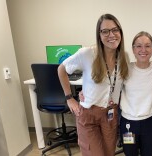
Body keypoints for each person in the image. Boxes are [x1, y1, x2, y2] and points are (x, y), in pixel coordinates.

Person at [58, 13, 129, 156]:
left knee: (109, 153)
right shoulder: (87, 54)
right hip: (89, 114)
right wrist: (69, 98)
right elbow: (61, 69)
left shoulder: (124, 57)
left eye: (115, 30)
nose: (111, 35)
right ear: (99, 34)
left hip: (110, 114)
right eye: (105, 31)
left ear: (120, 32)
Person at [119, 31, 152, 156]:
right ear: (133, 49)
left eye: (148, 46)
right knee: (130, 153)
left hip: (149, 122)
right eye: (139, 46)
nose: (143, 49)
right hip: (128, 124)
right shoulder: (125, 69)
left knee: (149, 153)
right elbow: (108, 86)